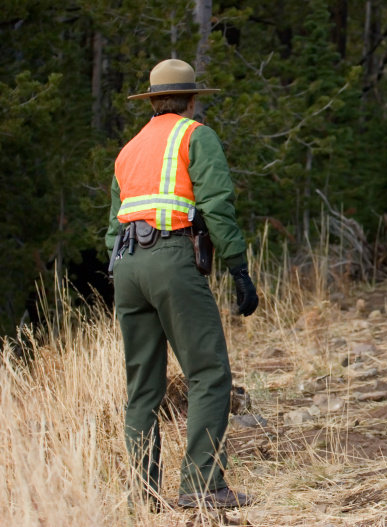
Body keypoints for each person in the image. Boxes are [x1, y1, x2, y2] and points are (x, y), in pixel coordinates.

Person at [105, 58, 258, 509]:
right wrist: (239, 269)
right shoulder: (196, 136)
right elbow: (217, 204)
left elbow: (113, 225)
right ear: (192, 100)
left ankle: (142, 494)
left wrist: (122, 271)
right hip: (172, 258)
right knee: (209, 373)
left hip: (127, 266)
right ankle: (202, 486)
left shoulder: (129, 149)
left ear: (152, 101)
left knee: (143, 388)